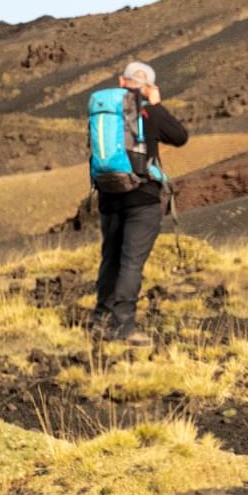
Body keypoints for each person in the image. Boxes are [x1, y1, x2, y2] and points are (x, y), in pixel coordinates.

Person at [90, 61, 187, 346]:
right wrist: (156, 105)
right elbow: (180, 137)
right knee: (132, 262)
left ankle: (100, 319)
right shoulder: (148, 111)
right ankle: (123, 327)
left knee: (111, 257)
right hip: (142, 197)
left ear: (122, 81)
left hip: (108, 193)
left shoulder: (104, 110)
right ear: (148, 87)